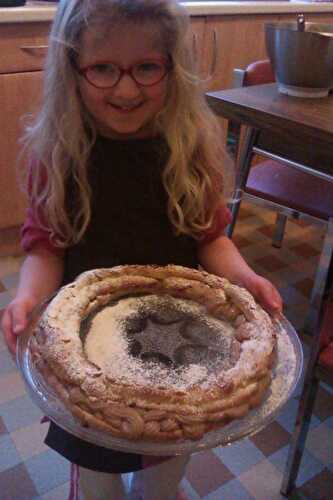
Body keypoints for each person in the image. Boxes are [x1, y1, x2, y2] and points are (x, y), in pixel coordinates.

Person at [2, 0, 283, 499]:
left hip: (182, 354)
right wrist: (26, 300)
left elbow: (210, 238)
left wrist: (245, 279)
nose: (126, 89)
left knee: (163, 472)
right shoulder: (60, 156)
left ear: (174, 67)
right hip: (88, 357)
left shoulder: (189, 148)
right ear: (72, 67)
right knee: (97, 482)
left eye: (147, 67)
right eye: (103, 68)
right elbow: (46, 250)